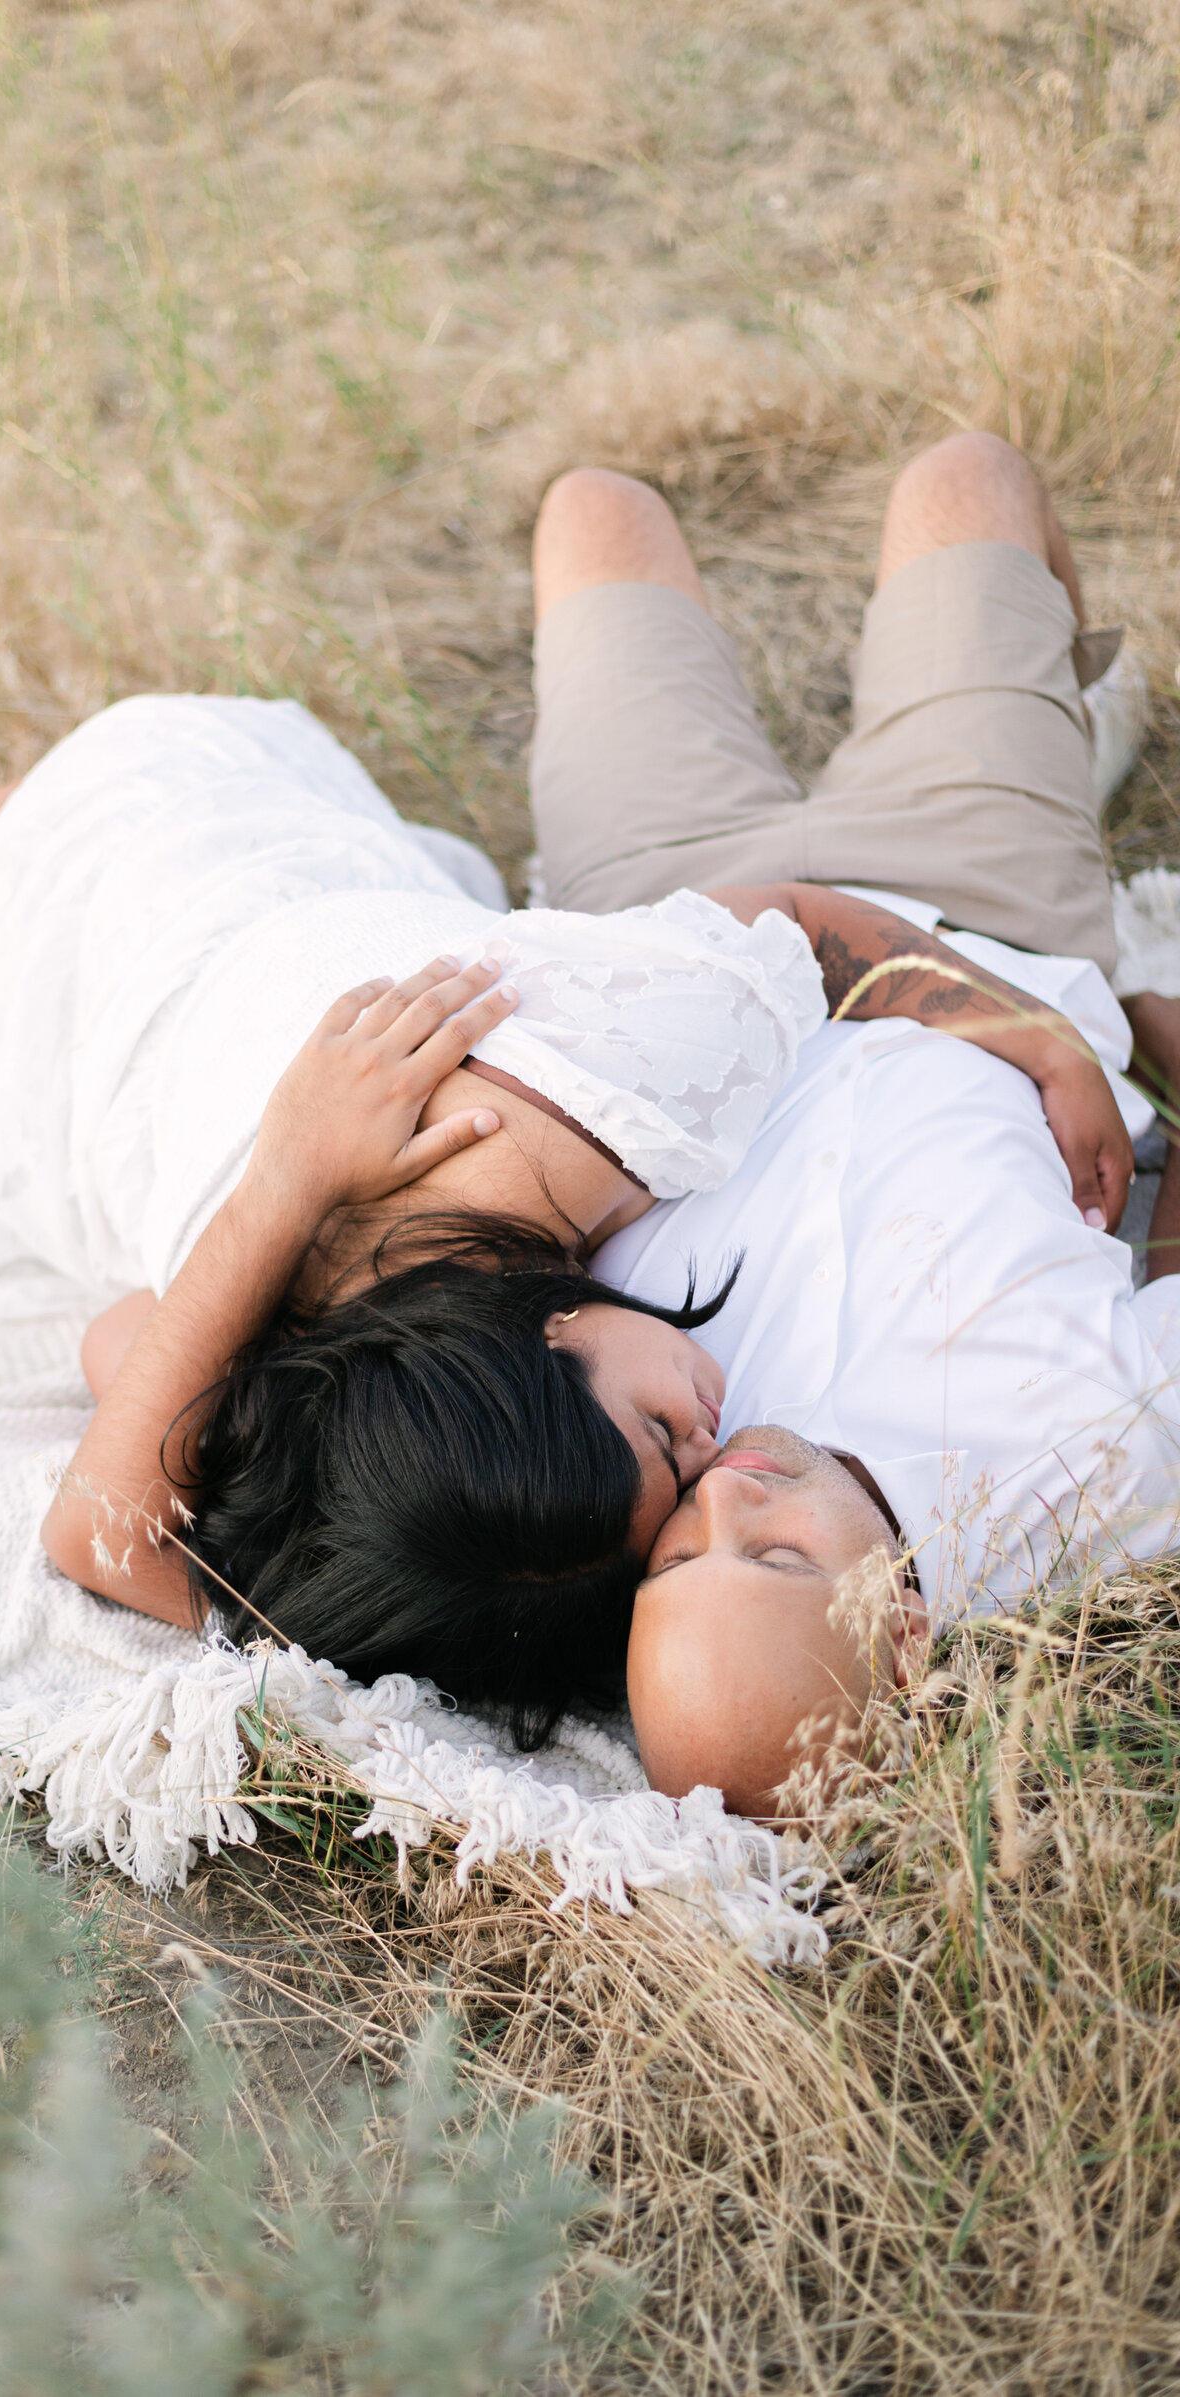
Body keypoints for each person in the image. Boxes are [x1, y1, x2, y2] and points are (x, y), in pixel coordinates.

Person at [0, 550, 1124, 1743]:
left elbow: (94, 1527)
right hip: (206, 940)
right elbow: (795, 921)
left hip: (167, 972)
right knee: (90, 847)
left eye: (663, 1456)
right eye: (680, 1463)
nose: (715, 1443)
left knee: (96, 856)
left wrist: (285, 1182)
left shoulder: (389, 1460)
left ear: (548, 1337)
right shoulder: (559, 1133)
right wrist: (1032, 1031)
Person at [517, 432, 1180, 1813]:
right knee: (966, 481)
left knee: (594, 511)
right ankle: (1073, 705)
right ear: (908, 1630)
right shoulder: (1096, 1475)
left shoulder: (625, 1464)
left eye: (679, 1562)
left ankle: (1051, 716)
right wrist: (1121, 1042)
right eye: (777, 1557)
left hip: (676, 918)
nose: (723, 1500)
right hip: (985, 913)